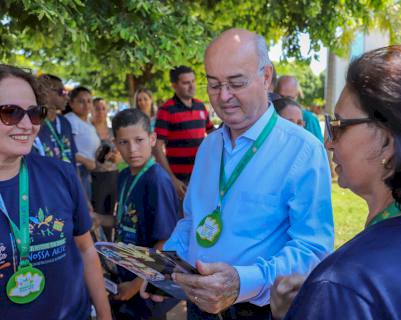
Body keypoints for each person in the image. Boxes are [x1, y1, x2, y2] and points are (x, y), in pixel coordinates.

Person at [142, 29, 334, 319]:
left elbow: (313, 250)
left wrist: (243, 282)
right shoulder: (209, 146)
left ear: (266, 77)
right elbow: (193, 222)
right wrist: (164, 267)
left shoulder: (302, 150)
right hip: (199, 305)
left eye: (236, 83)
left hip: (258, 311)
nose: (224, 97)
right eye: (214, 84)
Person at [272, 45, 401, 320]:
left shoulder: (345, 283)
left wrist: (305, 309)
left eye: (339, 125)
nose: (329, 142)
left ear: (388, 142)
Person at [0, 65, 111, 318]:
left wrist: (105, 315)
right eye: (11, 112)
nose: (28, 125)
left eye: (34, 113)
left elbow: (86, 250)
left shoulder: (61, 174)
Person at [111, 108, 180, 319]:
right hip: (127, 273)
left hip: (147, 284)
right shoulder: (124, 175)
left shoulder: (157, 181)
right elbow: (127, 219)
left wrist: (135, 284)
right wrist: (97, 219)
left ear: (152, 139)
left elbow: (165, 241)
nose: (132, 149)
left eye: (139, 140)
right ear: (115, 144)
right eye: (124, 142)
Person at [153, 65, 214, 199]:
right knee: (181, 218)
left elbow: (212, 134)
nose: (191, 86)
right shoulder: (166, 110)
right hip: (179, 181)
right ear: (174, 85)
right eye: (186, 83)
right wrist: (172, 179)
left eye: (193, 81)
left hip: (202, 176)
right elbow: (156, 147)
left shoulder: (200, 106)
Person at [32, 74, 78, 167]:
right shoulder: (32, 123)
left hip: (67, 179)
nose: (67, 97)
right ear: (45, 92)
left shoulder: (64, 122)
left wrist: (77, 181)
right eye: (62, 92)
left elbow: (73, 158)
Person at [65, 86, 100, 199]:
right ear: (71, 103)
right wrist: (85, 161)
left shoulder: (88, 122)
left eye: (89, 101)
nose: (86, 105)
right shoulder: (71, 120)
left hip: (87, 171)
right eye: (81, 101)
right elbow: (66, 149)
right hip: (77, 170)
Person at [91, 98, 119, 232]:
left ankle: (110, 243)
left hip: (113, 175)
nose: (100, 111)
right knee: (97, 211)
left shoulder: (112, 131)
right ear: (92, 110)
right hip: (95, 176)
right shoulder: (89, 130)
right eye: (97, 108)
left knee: (111, 212)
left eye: (103, 108)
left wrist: (115, 157)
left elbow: (120, 155)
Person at [275, 75, 324, 142]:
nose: (285, 101)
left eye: (289, 98)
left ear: (296, 96)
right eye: (281, 97)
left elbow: (318, 149)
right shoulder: (271, 115)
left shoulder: (309, 119)